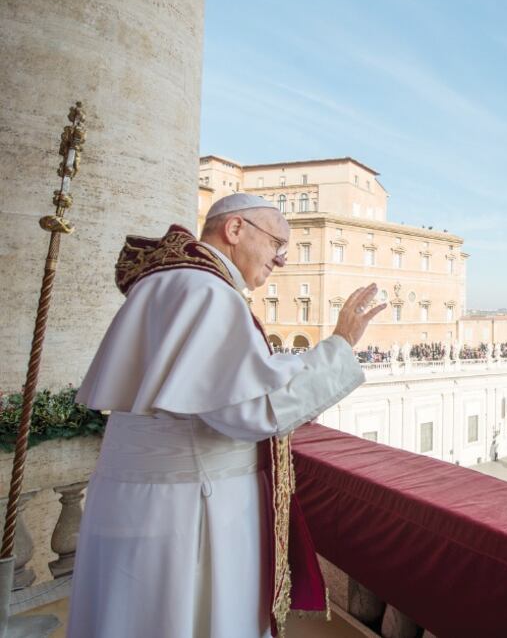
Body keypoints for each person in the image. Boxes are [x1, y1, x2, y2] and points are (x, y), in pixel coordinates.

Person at [67, 194, 386, 638]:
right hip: (187, 510)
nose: (282, 260)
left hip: (146, 499)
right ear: (235, 230)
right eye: (277, 242)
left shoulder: (172, 284)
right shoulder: (208, 292)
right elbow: (251, 410)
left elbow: (232, 383)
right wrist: (339, 346)